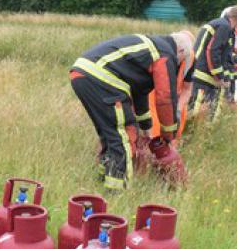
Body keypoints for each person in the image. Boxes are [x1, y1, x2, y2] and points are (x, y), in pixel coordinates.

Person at [70, 32, 194, 191]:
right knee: (125, 137)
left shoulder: (151, 48)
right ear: (181, 52)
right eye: (180, 62)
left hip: (81, 74)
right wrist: (168, 135)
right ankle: (116, 192)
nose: (177, 65)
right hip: (102, 79)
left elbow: (140, 94)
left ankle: (101, 180)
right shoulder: (165, 53)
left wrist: (146, 129)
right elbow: (165, 98)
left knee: (109, 134)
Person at [186, 5, 237, 119]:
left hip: (202, 70)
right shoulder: (224, 27)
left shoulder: (223, 25)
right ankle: (191, 131)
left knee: (204, 106)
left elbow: (224, 53)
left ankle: (201, 130)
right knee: (196, 107)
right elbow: (213, 50)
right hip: (204, 73)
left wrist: (234, 61)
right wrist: (219, 76)